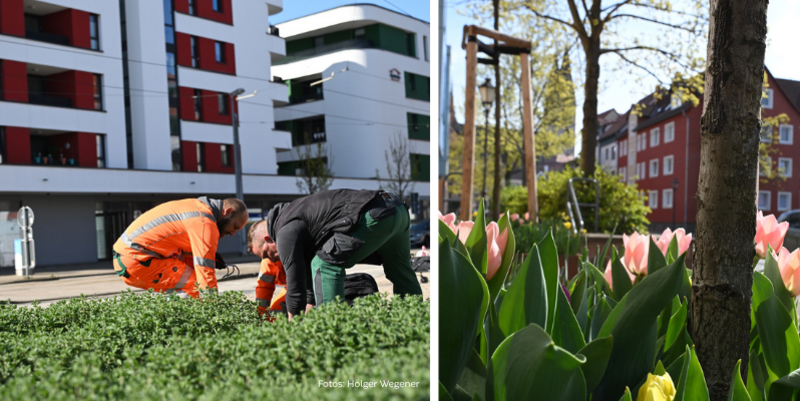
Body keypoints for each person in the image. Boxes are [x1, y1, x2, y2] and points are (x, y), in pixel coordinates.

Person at [248, 189, 423, 321]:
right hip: (397, 210)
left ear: (268, 239)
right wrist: (310, 305)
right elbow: (307, 280)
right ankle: (414, 321)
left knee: (325, 265)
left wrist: (295, 329)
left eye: (265, 254)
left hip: (374, 216)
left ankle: (331, 327)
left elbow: (295, 287)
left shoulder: (284, 232)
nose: (270, 259)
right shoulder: (295, 214)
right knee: (400, 271)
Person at [112, 196, 248, 298]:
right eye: (235, 226)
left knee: (190, 284)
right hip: (137, 260)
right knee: (196, 285)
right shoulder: (204, 222)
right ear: (227, 212)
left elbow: (188, 258)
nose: (232, 233)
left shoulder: (196, 208)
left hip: (130, 258)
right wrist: (213, 307)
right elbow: (204, 272)